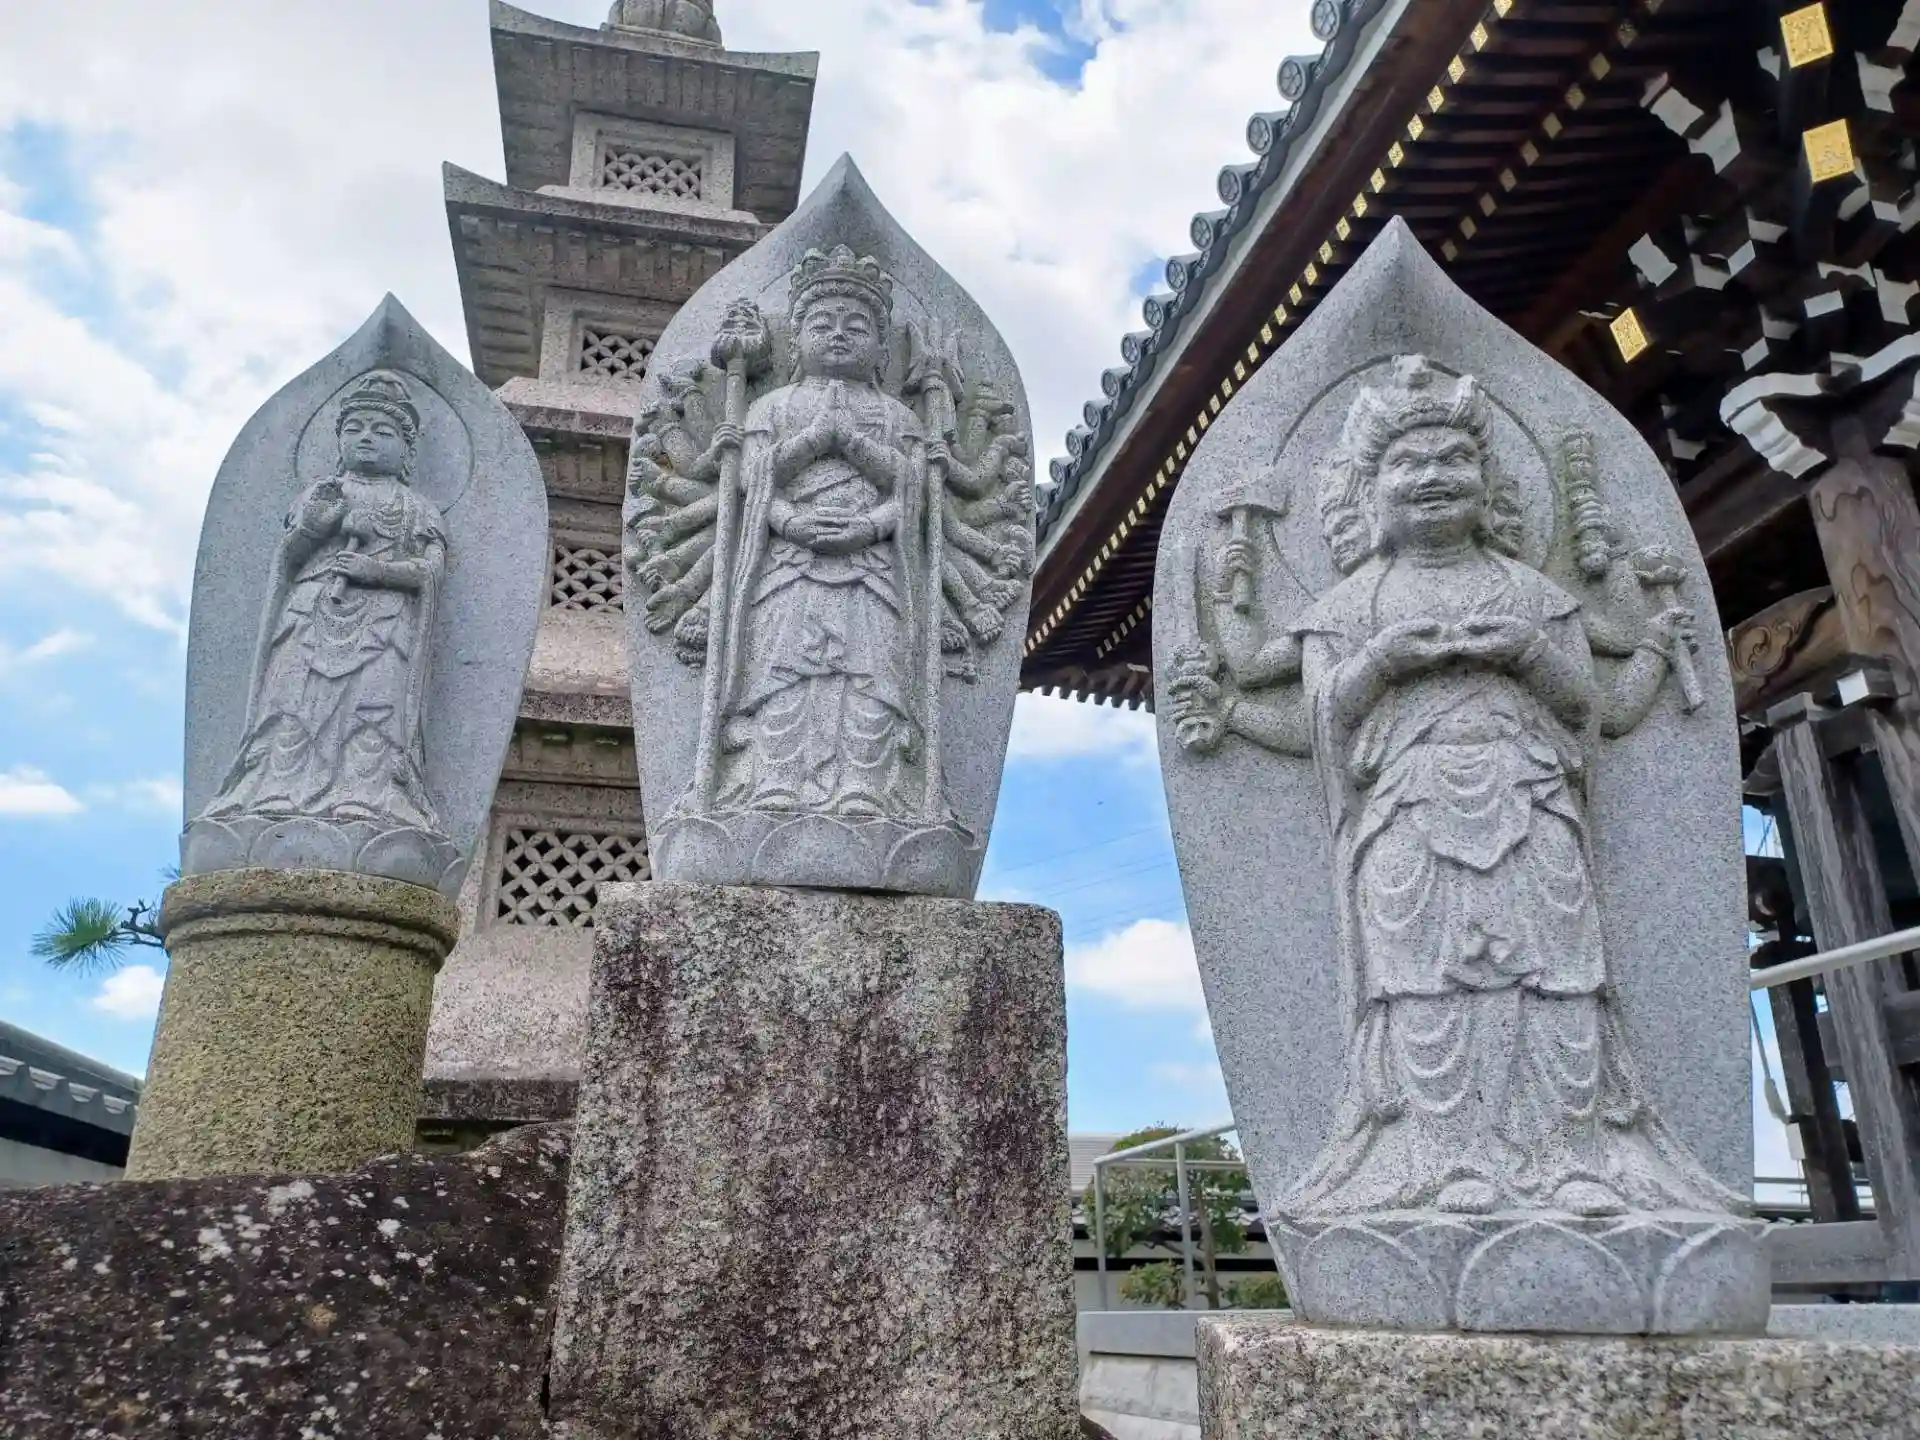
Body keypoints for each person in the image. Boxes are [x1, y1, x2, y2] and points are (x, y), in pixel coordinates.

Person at [1272, 356, 1733, 1221]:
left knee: (1558, 980)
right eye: (1409, 464)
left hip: (1532, 800)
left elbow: (1587, 710)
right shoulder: (1346, 607)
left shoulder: (1532, 591)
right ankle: (1448, 1162)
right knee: (1425, 989)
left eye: (1456, 459)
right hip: (1407, 813)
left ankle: (1574, 1160)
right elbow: (1324, 720)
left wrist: (1526, 652)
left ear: (1491, 486)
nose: (1435, 476)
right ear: (1368, 495)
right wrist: (1384, 661)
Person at [705, 246, 940, 821]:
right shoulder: (772, 405)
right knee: (782, 676)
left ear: (881, 349)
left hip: (873, 570)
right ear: (796, 341)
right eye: (822, 324)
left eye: (856, 327)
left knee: (871, 680)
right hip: (789, 565)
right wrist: (799, 501)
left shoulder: (898, 417)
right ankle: (774, 781)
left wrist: (865, 516)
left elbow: (913, 491)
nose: (838, 335)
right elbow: (753, 479)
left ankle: (866, 787)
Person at [200, 370, 447, 840]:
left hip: (385, 624)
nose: (367, 438)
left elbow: (430, 572)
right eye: (355, 429)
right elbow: (288, 559)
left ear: (406, 450)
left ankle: (365, 794)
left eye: (383, 431)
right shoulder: (320, 494)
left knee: (373, 713)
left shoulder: (416, 508)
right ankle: (276, 791)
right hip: (309, 613)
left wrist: (377, 572)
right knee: (290, 705)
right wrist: (313, 529)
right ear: (339, 441)